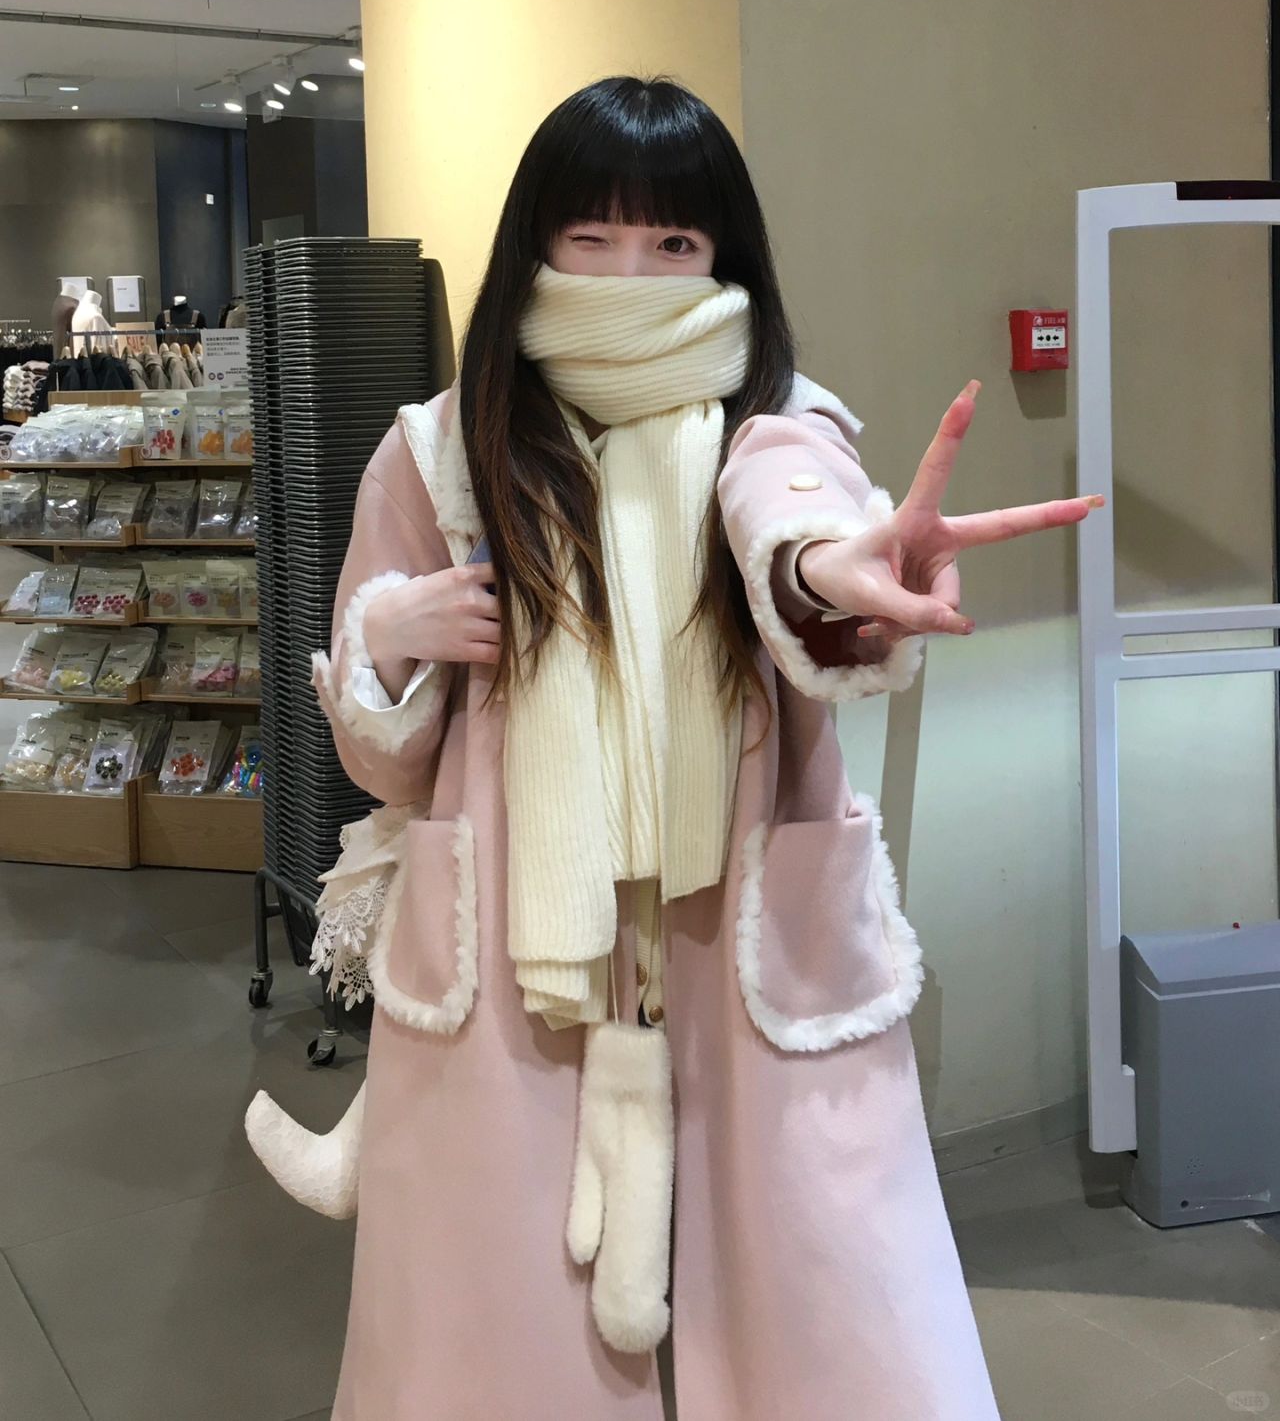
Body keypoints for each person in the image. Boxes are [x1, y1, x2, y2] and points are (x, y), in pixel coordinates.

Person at [247, 75, 1102, 1420]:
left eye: (672, 243)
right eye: (589, 239)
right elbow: (386, 766)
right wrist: (394, 634)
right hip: (516, 968)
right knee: (495, 1343)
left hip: (737, 948)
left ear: (723, 256)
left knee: (809, 1314)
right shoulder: (437, 453)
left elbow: (793, 522)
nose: (628, 277)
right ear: (535, 246)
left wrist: (831, 574)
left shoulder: (783, 423)